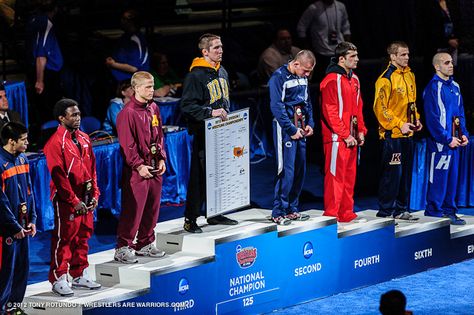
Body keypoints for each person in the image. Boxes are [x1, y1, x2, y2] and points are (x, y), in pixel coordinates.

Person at [180, 33, 238, 233]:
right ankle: (190, 219)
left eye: (221, 47)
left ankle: (215, 213)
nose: (220, 50)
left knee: (221, 175)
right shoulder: (195, 75)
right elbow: (186, 106)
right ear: (205, 51)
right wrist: (210, 112)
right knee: (199, 177)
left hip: (222, 132)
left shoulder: (222, 71)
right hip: (203, 133)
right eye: (216, 48)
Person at [44, 98, 101, 296]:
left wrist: (95, 193)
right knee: (64, 238)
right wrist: (74, 200)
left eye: (78, 114)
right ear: (61, 118)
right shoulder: (54, 144)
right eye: (73, 115)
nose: (78, 118)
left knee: (83, 235)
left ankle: (79, 274)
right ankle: (59, 278)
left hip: (85, 197)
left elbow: (92, 169)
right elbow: (59, 178)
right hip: (66, 199)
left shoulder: (85, 138)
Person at [114, 71, 167, 263]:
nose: (152, 90)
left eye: (152, 86)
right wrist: (138, 166)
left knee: (152, 207)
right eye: (147, 87)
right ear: (135, 88)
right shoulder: (126, 114)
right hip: (137, 170)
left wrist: (161, 158)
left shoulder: (154, 108)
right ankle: (122, 247)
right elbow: (127, 145)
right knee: (133, 209)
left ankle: (144, 243)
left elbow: (160, 135)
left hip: (154, 166)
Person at [373, 41, 422, 221]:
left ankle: (402, 209)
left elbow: (412, 103)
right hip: (391, 135)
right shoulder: (385, 78)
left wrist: (416, 119)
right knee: (392, 174)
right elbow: (381, 108)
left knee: (406, 173)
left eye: (408, 54)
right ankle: (386, 212)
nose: (406, 58)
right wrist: (398, 123)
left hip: (407, 134)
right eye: (402, 55)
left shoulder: (410, 75)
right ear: (393, 56)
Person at [320, 42, 367, 223]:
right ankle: (332, 215)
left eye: (356, 56)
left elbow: (358, 107)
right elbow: (329, 111)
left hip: (351, 138)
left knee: (349, 178)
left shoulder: (354, 79)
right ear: (341, 59)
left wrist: (360, 131)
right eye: (352, 57)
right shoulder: (331, 80)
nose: (357, 60)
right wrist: (344, 134)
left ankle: (346, 212)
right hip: (336, 139)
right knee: (334, 178)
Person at [268, 50, 315, 225]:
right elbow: (276, 106)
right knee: (286, 171)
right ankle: (278, 211)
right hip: (285, 130)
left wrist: (310, 123)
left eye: (310, 72)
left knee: (300, 170)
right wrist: (290, 129)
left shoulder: (303, 77)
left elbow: (307, 102)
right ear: (296, 64)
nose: (307, 75)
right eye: (305, 71)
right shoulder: (278, 77)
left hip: (301, 128)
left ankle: (292, 209)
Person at [423, 52, 469, 225]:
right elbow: (432, 119)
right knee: (439, 179)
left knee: (452, 178)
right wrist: (446, 138)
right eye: (446, 62)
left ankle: (450, 210)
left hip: (454, 142)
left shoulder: (455, 86)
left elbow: (460, 114)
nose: (451, 65)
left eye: (452, 62)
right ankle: (434, 212)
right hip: (440, 144)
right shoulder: (433, 88)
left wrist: (463, 133)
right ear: (437, 66)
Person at [0, 122, 36, 315]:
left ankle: (13, 307)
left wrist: (33, 219)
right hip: (6, 230)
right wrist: (14, 227)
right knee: (5, 271)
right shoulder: (0, 163)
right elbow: (1, 203)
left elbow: (30, 191)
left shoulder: (22, 159)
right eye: (23, 139)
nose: (27, 143)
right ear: (11, 141)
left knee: (22, 268)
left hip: (23, 226)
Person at [26, 0, 64, 124]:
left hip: (41, 71)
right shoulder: (45, 24)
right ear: (55, 9)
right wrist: (40, 81)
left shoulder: (33, 19)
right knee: (49, 112)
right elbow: (41, 56)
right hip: (46, 74)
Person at [297, 0, 351, 80]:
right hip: (321, 53)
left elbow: (346, 28)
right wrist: (307, 49)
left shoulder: (340, 6)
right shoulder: (314, 8)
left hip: (339, 52)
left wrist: (348, 48)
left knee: (342, 81)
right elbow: (301, 27)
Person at [105, 9, 150, 82]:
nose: (121, 21)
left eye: (124, 19)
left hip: (133, 83)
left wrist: (113, 64)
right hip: (119, 82)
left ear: (131, 21)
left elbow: (134, 68)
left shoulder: (135, 40)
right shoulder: (124, 38)